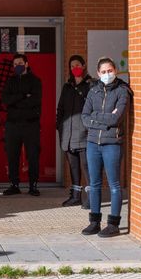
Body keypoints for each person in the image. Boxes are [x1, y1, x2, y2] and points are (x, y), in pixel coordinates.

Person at [80, 57, 131, 237]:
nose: (107, 74)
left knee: (114, 185)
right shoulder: (93, 91)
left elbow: (116, 118)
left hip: (112, 144)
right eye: (103, 72)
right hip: (93, 143)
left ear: (115, 70)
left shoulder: (122, 91)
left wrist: (97, 117)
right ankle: (94, 222)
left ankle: (113, 224)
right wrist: (104, 119)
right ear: (98, 74)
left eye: (110, 71)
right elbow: (84, 117)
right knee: (94, 185)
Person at [1, 53, 43, 197]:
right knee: (12, 155)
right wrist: (23, 96)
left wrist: (16, 101)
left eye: (20, 63)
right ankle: (14, 184)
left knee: (32, 155)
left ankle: (33, 185)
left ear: (26, 64)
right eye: (15, 64)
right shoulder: (10, 81)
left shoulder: (35, 81)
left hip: (31, 124)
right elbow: (5, 99)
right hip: (12, 125)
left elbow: (35, 101)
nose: (17, 66)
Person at [56, 55, 93, 208]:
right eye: (72, 66)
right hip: (68, 134)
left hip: (84, 134)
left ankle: (92, 197)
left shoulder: (91, 86)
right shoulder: (67, 87)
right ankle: (75, 195)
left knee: (87, 167)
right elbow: (61, 108)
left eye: (77, 65)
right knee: (73, 167)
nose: (74, 68)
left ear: (83, 66)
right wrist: (60, 126)